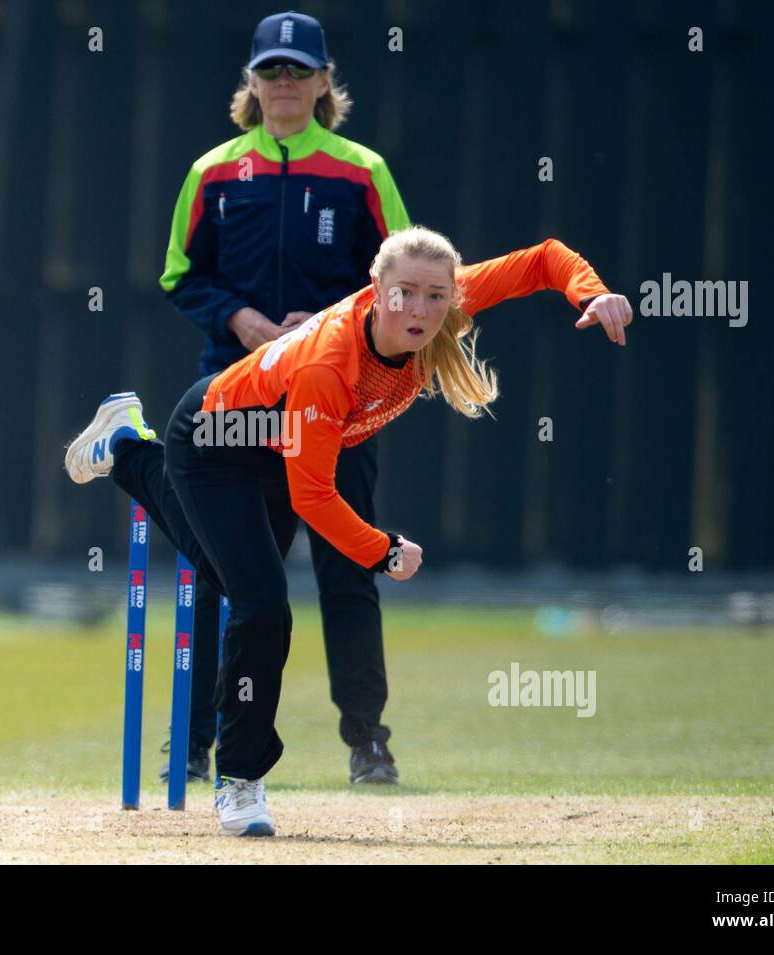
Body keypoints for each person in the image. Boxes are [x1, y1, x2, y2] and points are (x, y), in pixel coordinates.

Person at [67, 226, 633, 836]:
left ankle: (127, 448)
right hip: (214, 441)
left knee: (233, 581)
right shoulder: (330, 363)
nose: (420, 310)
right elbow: (313, 497)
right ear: (377, 286)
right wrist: (383, 550)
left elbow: (543, 259)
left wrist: (591, 293)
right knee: (262, 607)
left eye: (435, 297)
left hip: (283, 450)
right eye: (405, 294)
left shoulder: (446, 298)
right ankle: (240, 783)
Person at [159, 9, 413, 785]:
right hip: (236, 406)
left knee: (348, 567)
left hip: (339, 401)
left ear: (324, 80)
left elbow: (401, 284)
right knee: (221, 574)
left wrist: (328, 326)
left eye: (299, 71)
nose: (284, 85)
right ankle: (195, 742)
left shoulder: (361, 170)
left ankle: (368, 740)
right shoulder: (213, 173)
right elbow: (179, 273)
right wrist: (241, 320)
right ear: (252, 83)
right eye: (271, 71)